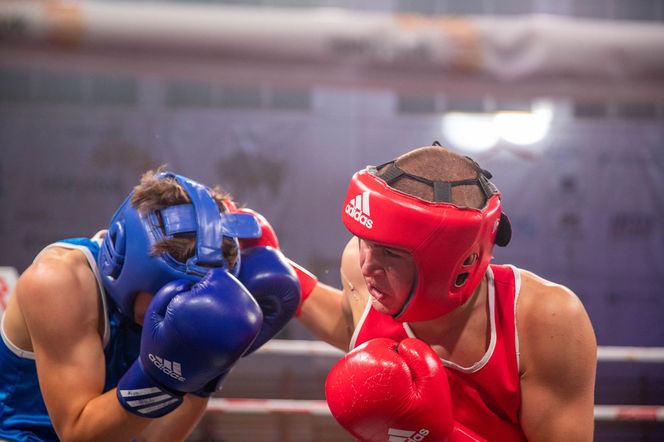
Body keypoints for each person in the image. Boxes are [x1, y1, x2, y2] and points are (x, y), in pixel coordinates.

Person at [248, 144, 597, 441]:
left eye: (390, 252)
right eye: (366, 241)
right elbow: (353, 325)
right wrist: (285, 277)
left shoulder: (545, 319)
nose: (368, 264)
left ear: (456, 263)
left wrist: (439, 436)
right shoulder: (358, 264)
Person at [0, 170, 300, 442]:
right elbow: (78, 435)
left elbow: (152, 438)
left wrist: (209, 370)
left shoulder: (161, 312)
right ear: (126, 266)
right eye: (168, 289)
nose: (180, 303)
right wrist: (155, 380)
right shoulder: (59, 282)